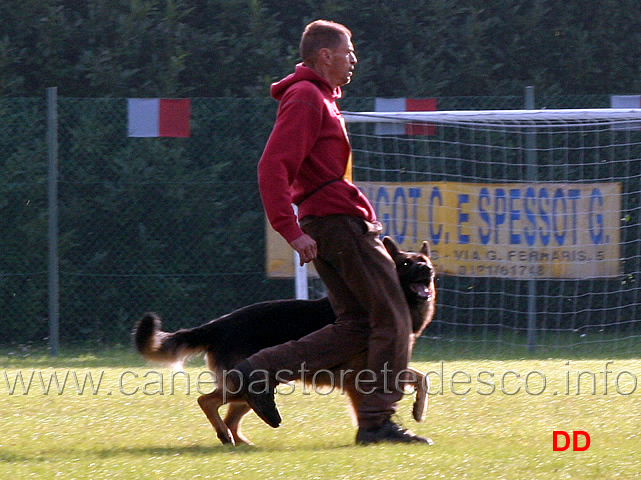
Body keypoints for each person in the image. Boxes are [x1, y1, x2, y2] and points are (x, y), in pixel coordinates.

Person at [229, 19, 432, 445]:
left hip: (333, 223)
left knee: (358, 323)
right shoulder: (306, 97)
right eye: (348, 51)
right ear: (325, 55)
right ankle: (376, 424)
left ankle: (256, 372)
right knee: (394, 319)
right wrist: (289, 229)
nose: (354, 59)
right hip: (339, 225)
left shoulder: (317, 97)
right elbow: (272, 167)